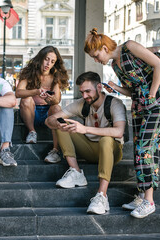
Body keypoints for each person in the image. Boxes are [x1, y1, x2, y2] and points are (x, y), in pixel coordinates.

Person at [84, 28, 160, 218]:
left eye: (96, 55)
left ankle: (149, 201)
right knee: (141, 151)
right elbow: (134, 90)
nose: (96, 59)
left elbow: (159, 66)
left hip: (156, 105)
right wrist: (116, 88)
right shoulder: (115, 65)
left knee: (145, 150)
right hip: (140, 107)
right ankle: (142, 196)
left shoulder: (130, 47)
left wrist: (151, 95)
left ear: (105, 47)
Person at [45, 71, 126, 215]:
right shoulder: (82, 103)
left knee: (106, 140)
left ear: (99, 87)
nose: (85, 96)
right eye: (82, 92)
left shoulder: (115, 104)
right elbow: (49, 120)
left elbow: (119, 132)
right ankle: (76, 172)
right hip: (89, 149)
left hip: (112, 151)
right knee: (62, 124)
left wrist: (84, 129)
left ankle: (102, 196)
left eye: (88, 91)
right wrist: (59, 124)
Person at [16, 46, 69, 163]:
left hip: (48, 114)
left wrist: (50, 99)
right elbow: (18, 92)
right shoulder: (29, 73)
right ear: (40, 58)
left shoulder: (55, 76)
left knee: (56, 108)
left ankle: (55, 151)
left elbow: (57, 100)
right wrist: (36, 91)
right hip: (31, 113)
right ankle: (32, 132)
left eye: (52, 61)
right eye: (46, 59)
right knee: (26, 99)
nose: (48, 63)